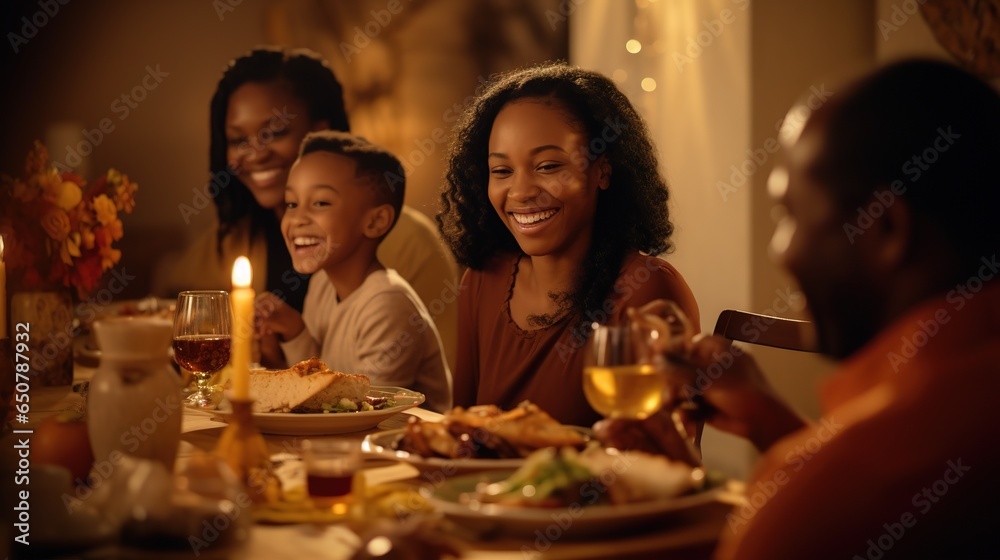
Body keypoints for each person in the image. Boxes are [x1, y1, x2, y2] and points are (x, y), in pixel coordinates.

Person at [630, 59, 1000, 559]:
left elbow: (832, 499)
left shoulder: (827, 499)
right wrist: (771, 421)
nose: (779, 251)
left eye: (790, 215)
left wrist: (670, 499)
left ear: (886, 230)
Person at [159, 47, 459, 370]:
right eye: (238, 140)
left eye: (274, 133)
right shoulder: (241, 237)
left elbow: (401, 394)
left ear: (319, 134)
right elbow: (168, 295)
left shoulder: (411, 246)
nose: (255, 154)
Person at [438, 62, 700, 427]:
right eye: (501, 171)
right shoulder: (483, 278)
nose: (521, 192)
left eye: (547, 166)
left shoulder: (647, 290)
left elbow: (660, 460)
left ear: (602, 170)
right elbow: (458, 428)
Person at [256, 131, 452, 413]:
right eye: (291, 203)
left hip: (399, 447)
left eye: (321, 203)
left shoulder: (386, 304)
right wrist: (292, 332)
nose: (297, 219)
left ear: (375, 221)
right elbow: (319, 384)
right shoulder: (323, 283)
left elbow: (361, 409)